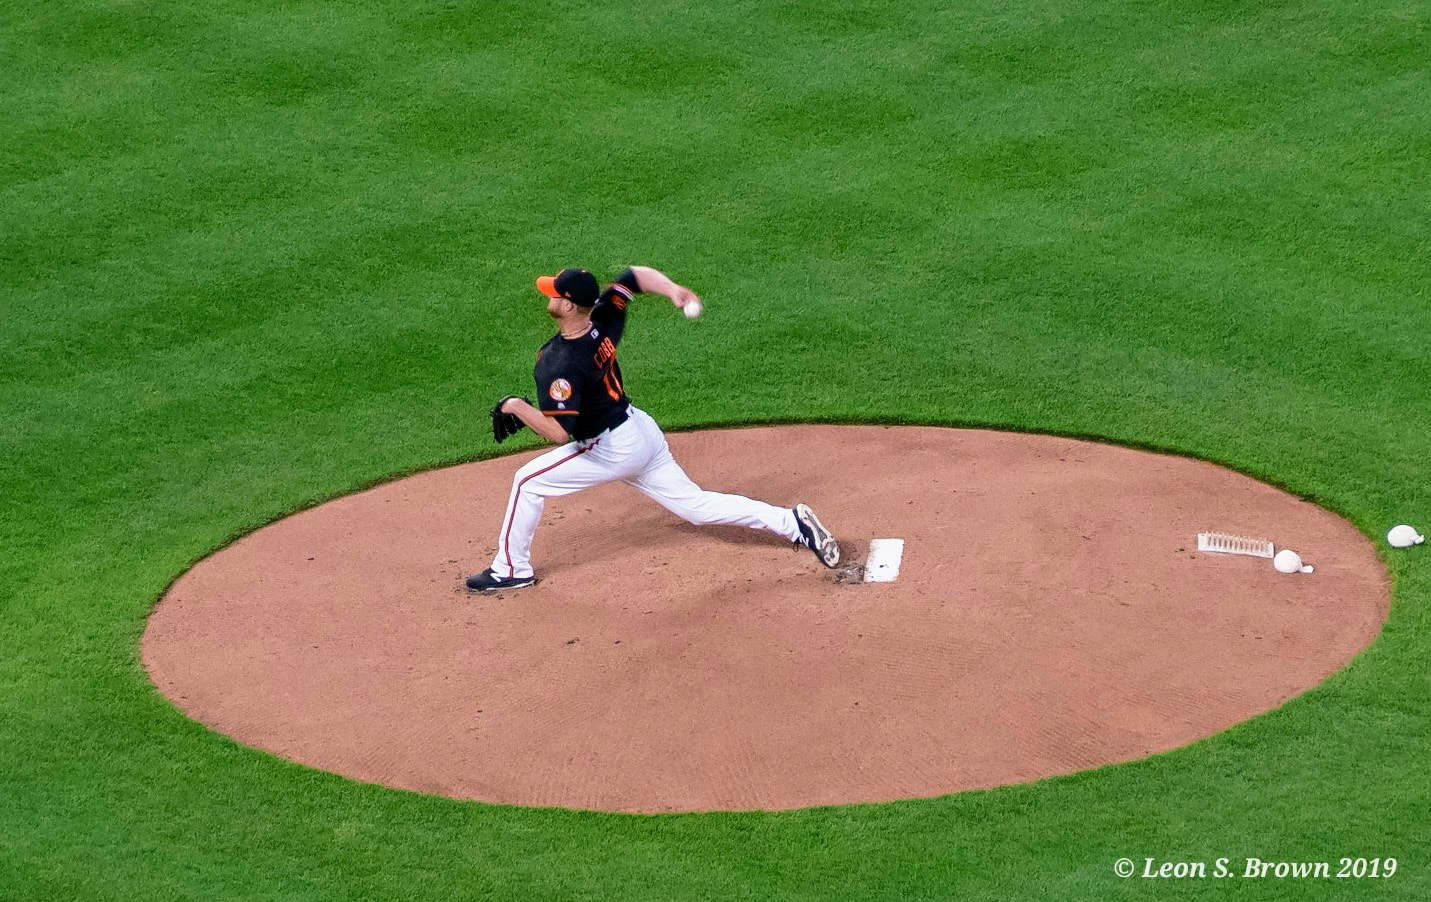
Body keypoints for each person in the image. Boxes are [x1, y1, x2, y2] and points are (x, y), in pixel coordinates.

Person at [467, 266, 840, 591]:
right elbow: (635, 277)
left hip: (610, 449)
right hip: (640, 431)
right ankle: (792, 523)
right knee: (695, 506)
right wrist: (674, 291)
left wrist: (515, 406)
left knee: (527, 481)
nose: (547, 296)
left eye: (553, 293)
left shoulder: (559, 362)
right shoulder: (602, 320)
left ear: (567, 305)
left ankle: (511, 569)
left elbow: (560, 433)